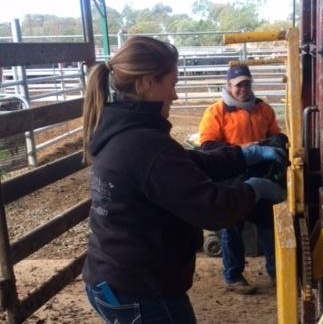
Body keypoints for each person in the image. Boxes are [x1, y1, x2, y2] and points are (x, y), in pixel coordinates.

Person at [81, 36, 286, 324]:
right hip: (140, 289)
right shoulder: (144, 144)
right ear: (147, 84)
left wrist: (246, 154)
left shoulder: (124, 130)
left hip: (115, 276)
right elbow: (212, 209)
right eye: (172, 84)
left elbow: (189, 163)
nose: (175, 96)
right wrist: (255, 189)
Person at [198, 64, 287, 295]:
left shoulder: (263, 109)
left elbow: (275, 135)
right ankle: (233, 276)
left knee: (269, 223)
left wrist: (276, 143)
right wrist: (242, 149)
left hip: (260, 175)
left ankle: (276, 272)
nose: (243, 89)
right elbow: (207, 146)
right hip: (231, 176)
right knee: (232, 227)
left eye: (247, 83)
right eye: (238, 85)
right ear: (228, 86)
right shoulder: (216, 112)